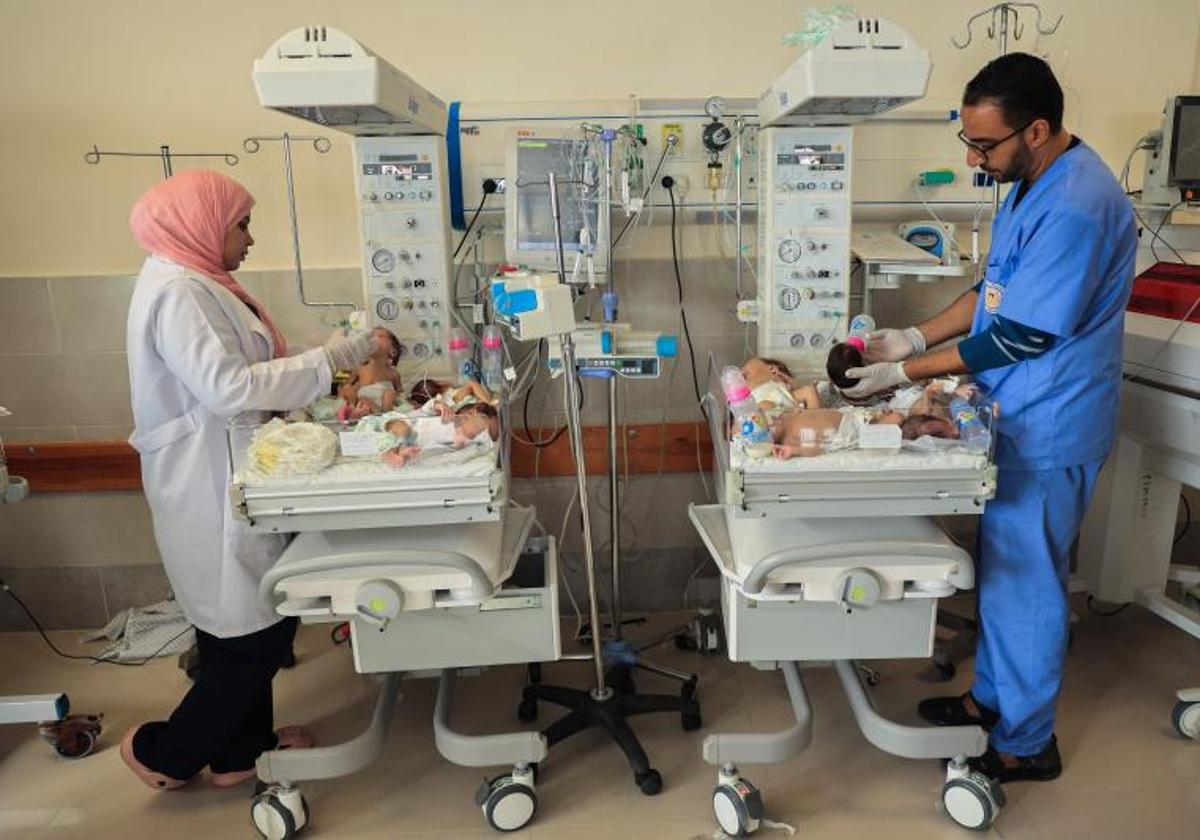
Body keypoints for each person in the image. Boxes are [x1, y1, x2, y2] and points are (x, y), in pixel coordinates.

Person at [842, 54, 1136, 783]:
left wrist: (899, 375)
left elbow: (1021, 336)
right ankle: (990, 703)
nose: (976, 159)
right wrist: (912, 336)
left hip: (1054, 416)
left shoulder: (1076, 204)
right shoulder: (1027, 181)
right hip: (1017, 412)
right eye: (967, 143)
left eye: (986, 146)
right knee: (1006, 572)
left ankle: (1029, 742)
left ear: (1037, 129)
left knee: (1031, 583)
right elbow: (993, 291)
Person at [122, 170, 374, 790]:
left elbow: (246, 367)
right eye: (241, 224)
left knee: (249, 622)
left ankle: (240, 752)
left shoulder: (201, 283)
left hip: (228, 467)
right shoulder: (179, 291)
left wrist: (327, 357)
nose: (250, 238)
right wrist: (335, 359)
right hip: (207, 481)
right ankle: (167, 756)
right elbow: (230, 389)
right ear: (202, 225)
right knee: (249, 640)